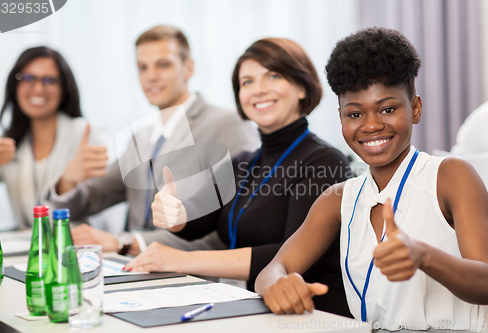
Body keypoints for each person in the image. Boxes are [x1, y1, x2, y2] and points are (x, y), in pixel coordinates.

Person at [255, 27, 488, 331]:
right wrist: (278, 284)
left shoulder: (450, 176)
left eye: (387, 109)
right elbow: (274, 268)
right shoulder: (338, 198)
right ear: (341, 117)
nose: (372, 125)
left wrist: (425, 257)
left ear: (415, 108)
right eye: (355, 114)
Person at [125, 38, 353, 318]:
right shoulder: (242, 163)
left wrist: (184, 260)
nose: (258, 90)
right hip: (254, 308)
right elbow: (196, 217)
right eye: (247, 82)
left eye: (273, 75)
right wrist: (174, 212)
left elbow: (290, 257)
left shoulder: (325, 162)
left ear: (302, 87)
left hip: (313, 316)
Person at [48, 25, 259, 255]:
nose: (151, 76)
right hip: (137, 273)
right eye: (142, 67)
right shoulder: (140, 139)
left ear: (189, 68)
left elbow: (235, 221)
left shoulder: (228, 125)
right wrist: (68, 180)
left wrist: (128, 243)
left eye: (163, 64)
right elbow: (89, 200)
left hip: (195, 276)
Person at [0, 46, 107, 228]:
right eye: (28, 78)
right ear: (15, 85)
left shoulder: (86, 135)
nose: (38, 88)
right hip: (30, 252)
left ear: (64, 88)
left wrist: (68, 182)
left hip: (76, 248)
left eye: (49, 80)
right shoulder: (9, 142)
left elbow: (101, 200)